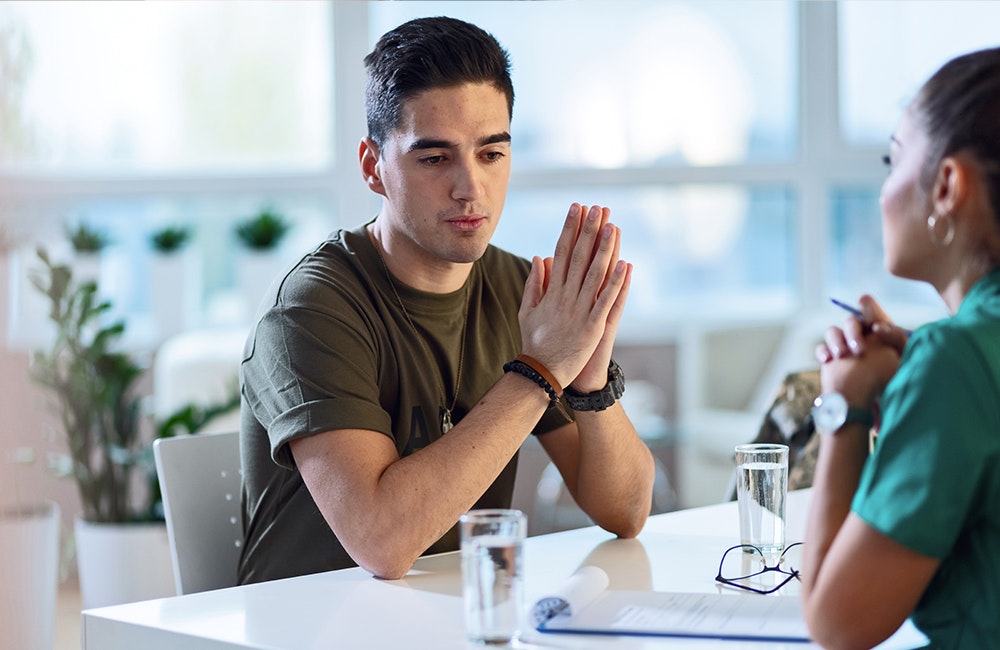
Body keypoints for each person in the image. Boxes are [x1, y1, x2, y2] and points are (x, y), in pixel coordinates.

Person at [238, 16, 655, 583]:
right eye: (434, 158)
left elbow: (625, 512)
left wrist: (589, 378)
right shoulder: (310, 311)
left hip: (458, 619)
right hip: (311, 626)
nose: (470, 188)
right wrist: (540, 370)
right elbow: (383, 543)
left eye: (491, 154)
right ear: (373, 167)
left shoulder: (518, 291)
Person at [802, 47, 1000, 649]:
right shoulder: (949, 359)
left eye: (893, 158)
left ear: (947, 185)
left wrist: (845, 407)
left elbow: (837, 626)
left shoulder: (953, 361)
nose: (883, 190)